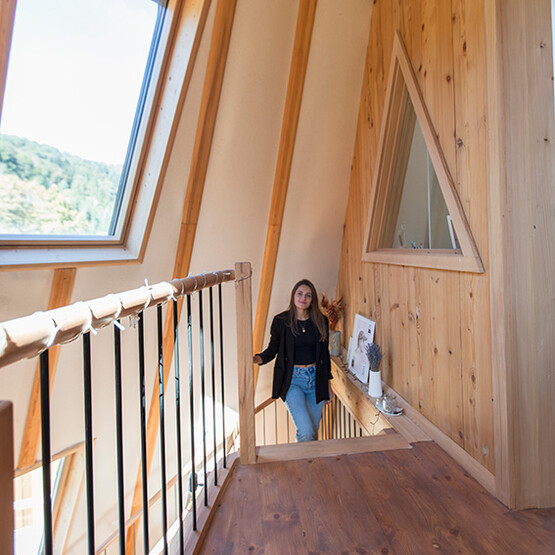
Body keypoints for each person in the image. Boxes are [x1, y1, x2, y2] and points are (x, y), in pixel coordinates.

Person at [253, 279, 332, 442]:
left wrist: (328, 386)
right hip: (293, 381)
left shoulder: (320, 321)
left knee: (313, 431)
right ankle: (302, 465)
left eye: (308, 295)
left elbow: (325, 355)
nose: (303, 298)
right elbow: (272, 349)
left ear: (312, 300)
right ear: (293, 296)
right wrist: (256, 359)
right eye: (300, 294)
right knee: (305, 431)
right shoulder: (281, 321)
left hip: (316, 379)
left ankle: (306, 464)